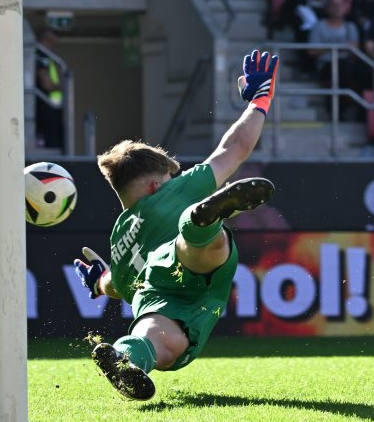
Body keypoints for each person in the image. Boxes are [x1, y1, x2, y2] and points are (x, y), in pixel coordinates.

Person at [72, 49, 279, 400]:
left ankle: (125, 357)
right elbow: (236, 149)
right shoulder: (173, 191)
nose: (176, 177)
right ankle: (201, 221)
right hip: (191, 266)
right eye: (172, 175)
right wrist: (260, 100)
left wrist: (97, 282)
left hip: (157, 299)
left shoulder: (120, 237)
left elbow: (119, 286)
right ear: (156, 183)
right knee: (195, 243)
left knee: (154, 339)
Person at [308, 0, 371, 101]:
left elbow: (355, 51)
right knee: (341, 71)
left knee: (365, 71)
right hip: (327, 65)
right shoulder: (319, 26)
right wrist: (337, 47)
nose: (337, 8)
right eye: (334, 5)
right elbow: (311, 51)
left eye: (340, 5)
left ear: (345, 8)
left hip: (348, 64)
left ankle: (362, 110)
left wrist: (332, 47)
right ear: (327, 8)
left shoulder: (351, 26)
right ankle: (338, 107)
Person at [34, 30, 65, 150]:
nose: (52, 46)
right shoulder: (41, 56)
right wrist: (62, 87)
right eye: (51, 42)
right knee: (51, 140)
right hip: (44, 104)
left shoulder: (45, 56)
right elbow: (46, 84)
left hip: (50, 104)